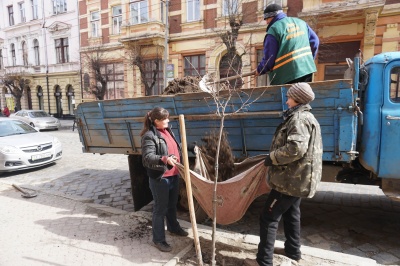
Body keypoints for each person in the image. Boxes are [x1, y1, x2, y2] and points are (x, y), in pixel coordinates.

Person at [246, 83, 323, 266]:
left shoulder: (298, 119)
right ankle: (293, 251)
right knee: (291, 214)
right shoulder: (307, 117)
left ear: (298, 99)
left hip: (290, 180)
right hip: (298, 179)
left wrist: (272, 158)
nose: (287, 100)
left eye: (289, 97)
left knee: (268, 217)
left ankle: (263, 261)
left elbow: (295, 149)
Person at [140, 106, 188, 252]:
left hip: (173, 175)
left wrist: (190, 147)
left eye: (167, 117)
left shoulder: (167, 131)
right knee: (160, 209)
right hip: (160, 178)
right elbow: (147, 158)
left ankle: (173, 227)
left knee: (172, 205)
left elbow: (175, 148)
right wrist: (164, 159)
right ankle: (158, 239)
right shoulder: (149, 136)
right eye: (164, 119)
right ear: (156, 121)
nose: (168, 120)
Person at [255, 4, 319, 85]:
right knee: (303, 96)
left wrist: (260, 69)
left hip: (286, 75)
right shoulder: (301, 23)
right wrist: (308, 59)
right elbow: (315, 42)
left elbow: (269, 58)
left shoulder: (274, 29)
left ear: (272, 17)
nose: (267, 22)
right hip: (307, 70)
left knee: (288, 97)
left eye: (267, 19)